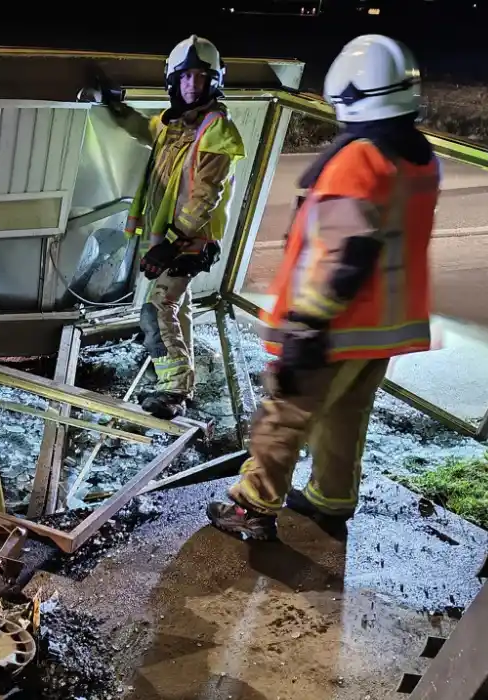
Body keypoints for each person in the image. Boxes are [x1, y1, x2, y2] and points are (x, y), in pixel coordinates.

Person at [206, 34, 440, 541]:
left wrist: (308, 322)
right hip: (383, 328)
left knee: (284, 413)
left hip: (337, 323)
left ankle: (252, 506)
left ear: (351, 93)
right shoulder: (419, 157)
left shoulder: (360, 159)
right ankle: (331, 499)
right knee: (346, 416)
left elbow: (344, 253)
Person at [96, 35, 245, 419]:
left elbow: (205, 198)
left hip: (189, 241)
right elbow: (145, 128)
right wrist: (115, 106)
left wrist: (172, 244)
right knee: (178, 309)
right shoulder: (173, 124)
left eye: (200, 77)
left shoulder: (216, 131)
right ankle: (184, 381)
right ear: (173, 81)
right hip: (174, 240)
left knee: (157, 308)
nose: (192, 84)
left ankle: (174, 390)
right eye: (185, 77)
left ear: (214, 81)